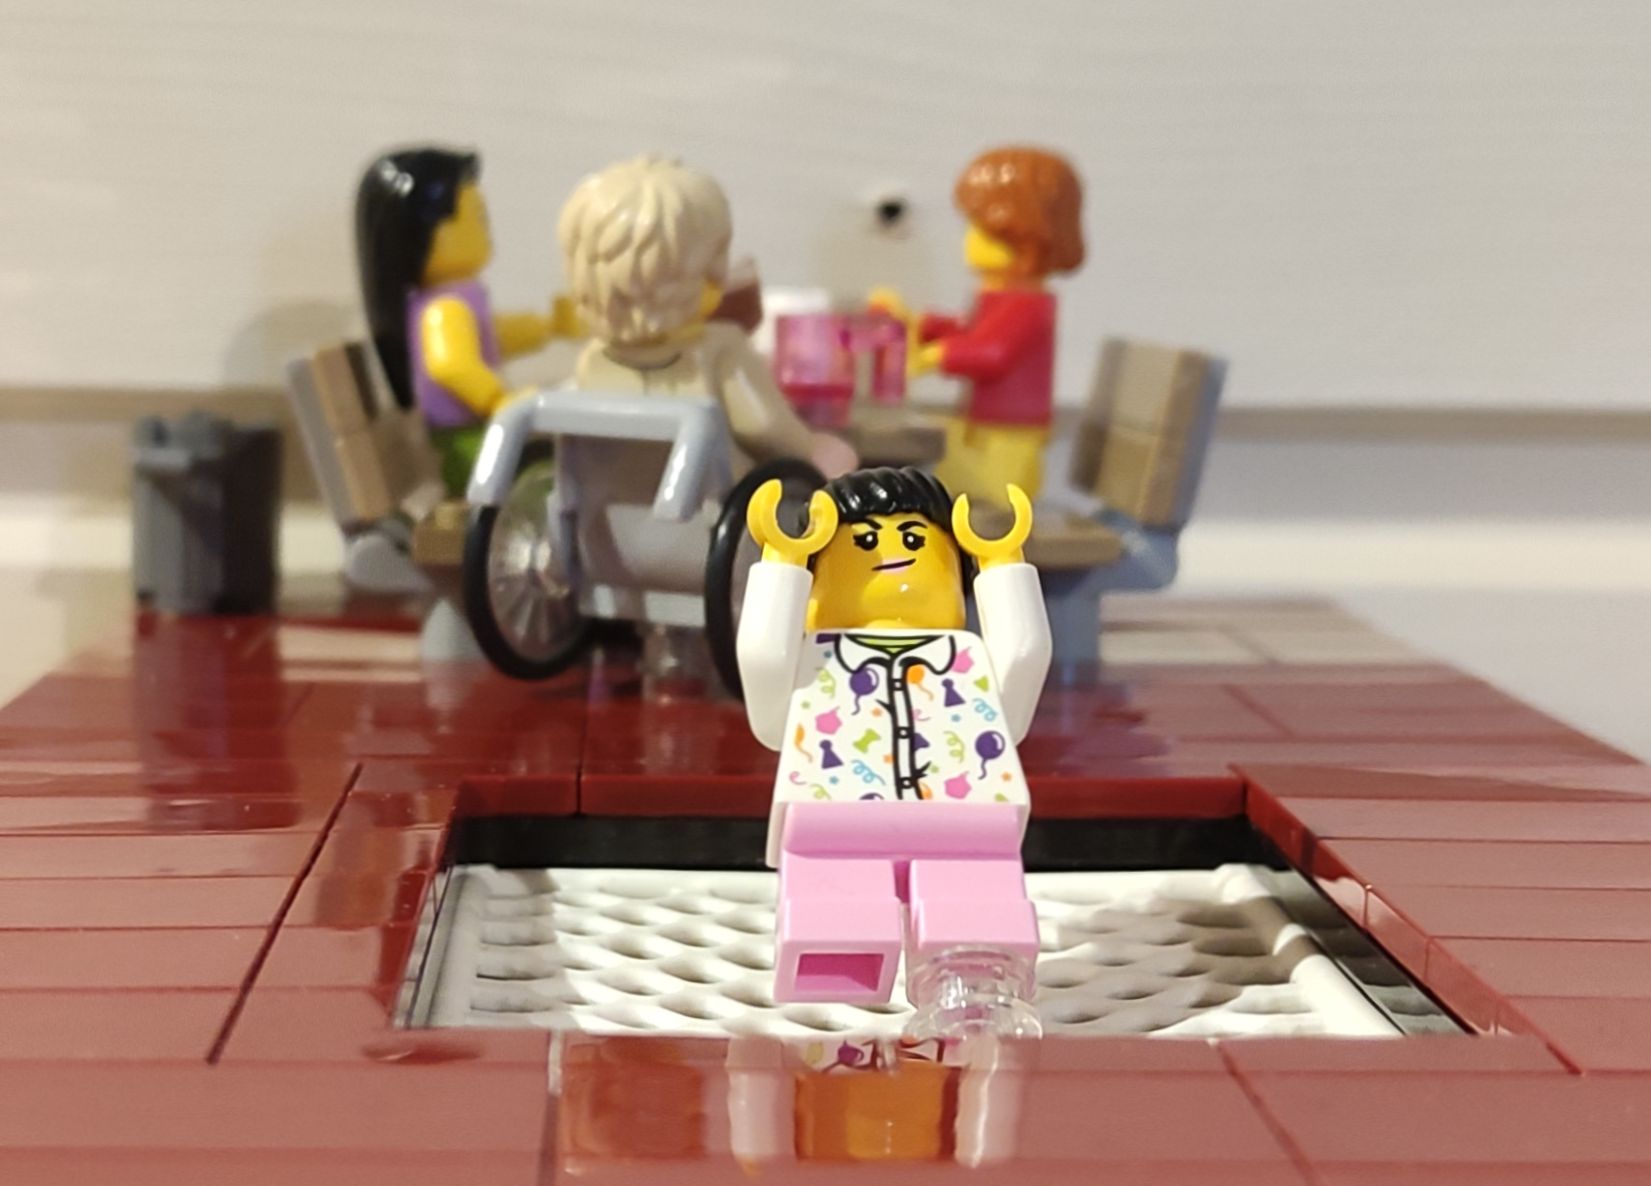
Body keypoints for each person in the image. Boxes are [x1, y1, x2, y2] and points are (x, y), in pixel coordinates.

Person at [737, 466, 1051, 1038]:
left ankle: (975, 988)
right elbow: (761, 661)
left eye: (914, 538)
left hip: (968, 825)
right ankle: (832, 1007)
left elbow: (1025, 659)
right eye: (862, 542)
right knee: (836, 924)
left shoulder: (966, 659)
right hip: (834, 822)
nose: (892, 553)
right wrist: (783, 561)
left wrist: (1002, 563)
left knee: (974, 918)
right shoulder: (816, 661)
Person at [558, 156, 856, 479]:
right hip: (715, 506)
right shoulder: (721, 349)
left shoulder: (592, 360)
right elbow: (765, 428)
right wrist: (810, 448)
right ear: (705, 267)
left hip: (603, 509)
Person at [872, 147, 1085, 506]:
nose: (969, 240)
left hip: (1009, 431)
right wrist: (920, 323)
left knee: (994, 503)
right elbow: (972, 332)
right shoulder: (1001, 296)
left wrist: (933, 356)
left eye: (981, 230)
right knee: (953, 486)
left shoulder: (1029, 304)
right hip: (983, 422)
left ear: (1026, 238)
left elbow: (993, 352)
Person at [354, 146, 573, 495]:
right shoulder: (443, 310)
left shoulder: (456, 301)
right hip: (466, 439)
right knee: (547, 467)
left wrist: (548, 327)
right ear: (426, 235)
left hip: (472, 431)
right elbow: (452, 367)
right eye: (476, 217)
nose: (485, 227)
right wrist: (499, 400)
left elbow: (491, 334)